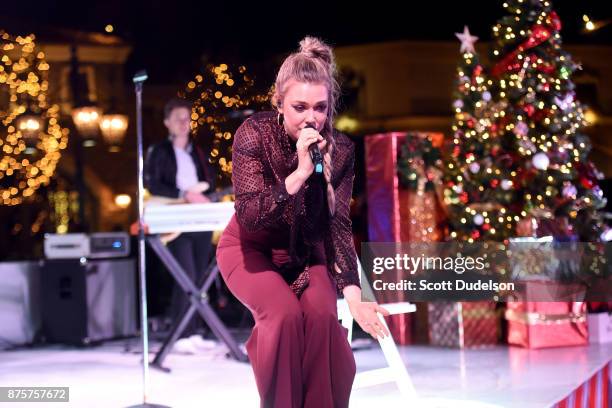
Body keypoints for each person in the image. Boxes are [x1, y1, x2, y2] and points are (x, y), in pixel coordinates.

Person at [216, 37, 390, 408]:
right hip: (251, 250)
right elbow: (248, 215)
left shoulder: (340, 149)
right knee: (282, 317)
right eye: (299, 107)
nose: (311, 118)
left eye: (320, 108)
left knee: (325, 319)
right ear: (278, 103)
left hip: (306, 252)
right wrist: (298, 174)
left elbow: (338, 224)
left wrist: (355, 297)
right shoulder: (254, 133)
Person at [144, 98, 217, 353]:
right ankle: (181, 333)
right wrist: (183, 194)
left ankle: (194, 330)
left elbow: (210, 181)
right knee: (183, 274)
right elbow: (152, 183)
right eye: (178, 118)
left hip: (198, 217)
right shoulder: (159, 152)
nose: (184, 123)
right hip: (174, 216)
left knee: (198, 276)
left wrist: (205, 196)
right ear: (167, 123)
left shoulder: (198, 151)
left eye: (187, 118)